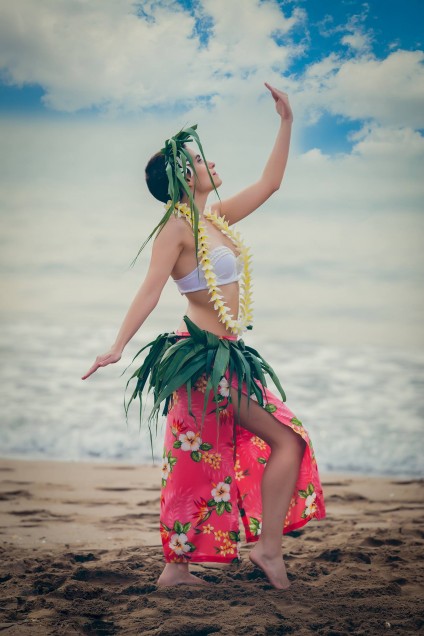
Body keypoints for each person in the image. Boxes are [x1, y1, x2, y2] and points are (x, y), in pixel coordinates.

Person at [81, 82, 326, 590]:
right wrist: (117, 345)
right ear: (181, 176)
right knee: (287, 439)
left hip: (229, 357)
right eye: (198, 159)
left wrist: (286, 122)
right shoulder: (175, 227)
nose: (209, 163)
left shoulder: (213, 219)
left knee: (200, 459)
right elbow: (150, 291)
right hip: (201, 360)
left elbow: (271, 183)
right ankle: (267, 550)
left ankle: (177, 571)